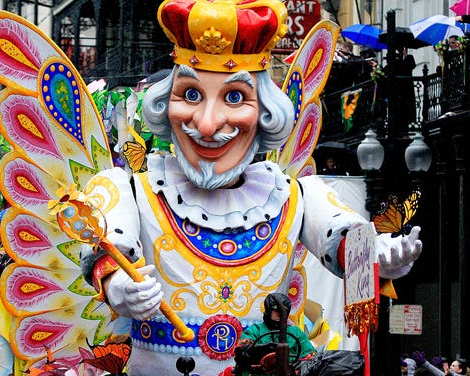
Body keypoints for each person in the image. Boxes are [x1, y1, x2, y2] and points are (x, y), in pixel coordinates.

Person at [78, 0, 422, 374]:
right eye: (191, 95)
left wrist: (377, 256)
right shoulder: (130, 191)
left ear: (266, 112)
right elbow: (107, 255)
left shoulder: (295, 196)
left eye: (235, 97)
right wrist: (118, 290)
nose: (207, 124)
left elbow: (346, 240)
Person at [233, 293, 315, 375]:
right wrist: (262, 350)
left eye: (283, 311)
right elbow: (241, 352)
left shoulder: (296, 333)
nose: (280, 314)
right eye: (276, 310)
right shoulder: (255, 330)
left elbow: (310, 357)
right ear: (269, 311)